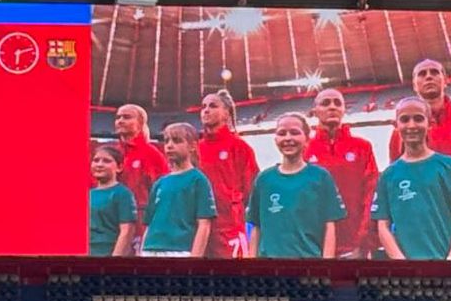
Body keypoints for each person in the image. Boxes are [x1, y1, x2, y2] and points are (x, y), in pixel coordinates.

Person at [388, 59, 451, 261]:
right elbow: (397, 179)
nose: (428, 76)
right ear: (414, 84)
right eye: (422, 73)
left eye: (434, 72)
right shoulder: (400, 133)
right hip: (423, 229)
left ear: (446, 80)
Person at [374, 97, 451, 261]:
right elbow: (383, 226)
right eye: (404, 119)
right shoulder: (388, 176)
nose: (411, 125)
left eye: (418, 118)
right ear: (396, 125)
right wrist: (401, 263)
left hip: (447, 266)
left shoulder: (450, 167)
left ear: (430, 123)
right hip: (408, 271)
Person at [247, 113, 344, 259]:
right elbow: (256, 227)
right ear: (275, 139)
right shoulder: (264, 179)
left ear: (307, 138)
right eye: (282, 133)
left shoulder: (320, 177)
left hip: (308, 264)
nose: (288, 138)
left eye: (294, 132)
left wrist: (326, 265)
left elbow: (329, 226)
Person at [304, 88, 379, 259]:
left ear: (344, 109)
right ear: (314, 111)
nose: (332, 107)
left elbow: (371, 194)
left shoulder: (362, 147)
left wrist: (363, 243)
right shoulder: (305, 150)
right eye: (325, 103)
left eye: (337, 103)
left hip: (355, 247)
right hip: (316, 248)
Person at [198, 90, 260, 259]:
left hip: (229, 227)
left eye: (213, 106)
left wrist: (233, 207)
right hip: (199, 228)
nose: (206, 110)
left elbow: (252, 191)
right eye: (203, 106)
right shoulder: (196, 149)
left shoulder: (240, 147)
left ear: (226, 113)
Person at [141, 123, 216, 257]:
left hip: (180, 249)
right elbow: (149, 224)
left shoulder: (198, 180)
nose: (169, 145)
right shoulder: (160, 183)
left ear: (192, 146)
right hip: (150, 248)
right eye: (166, 141)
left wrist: (195, 258)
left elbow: (204, 224)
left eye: (176, 141)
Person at [114, 104, 169, 243]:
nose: (120, 121)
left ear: (140, 123)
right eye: (118, 117)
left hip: (141, 222)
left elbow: (164, 192)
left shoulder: (152, 154)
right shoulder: (112, 153)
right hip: (112, 220)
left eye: (126, 117)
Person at [88, 145, 136, 257]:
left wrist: (115, 259)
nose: (99, 164)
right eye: (96, 160)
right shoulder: (88, 194)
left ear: (119, 167)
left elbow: (127, 231)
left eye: (106, 161)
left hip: (108, 253)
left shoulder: (122, 194)